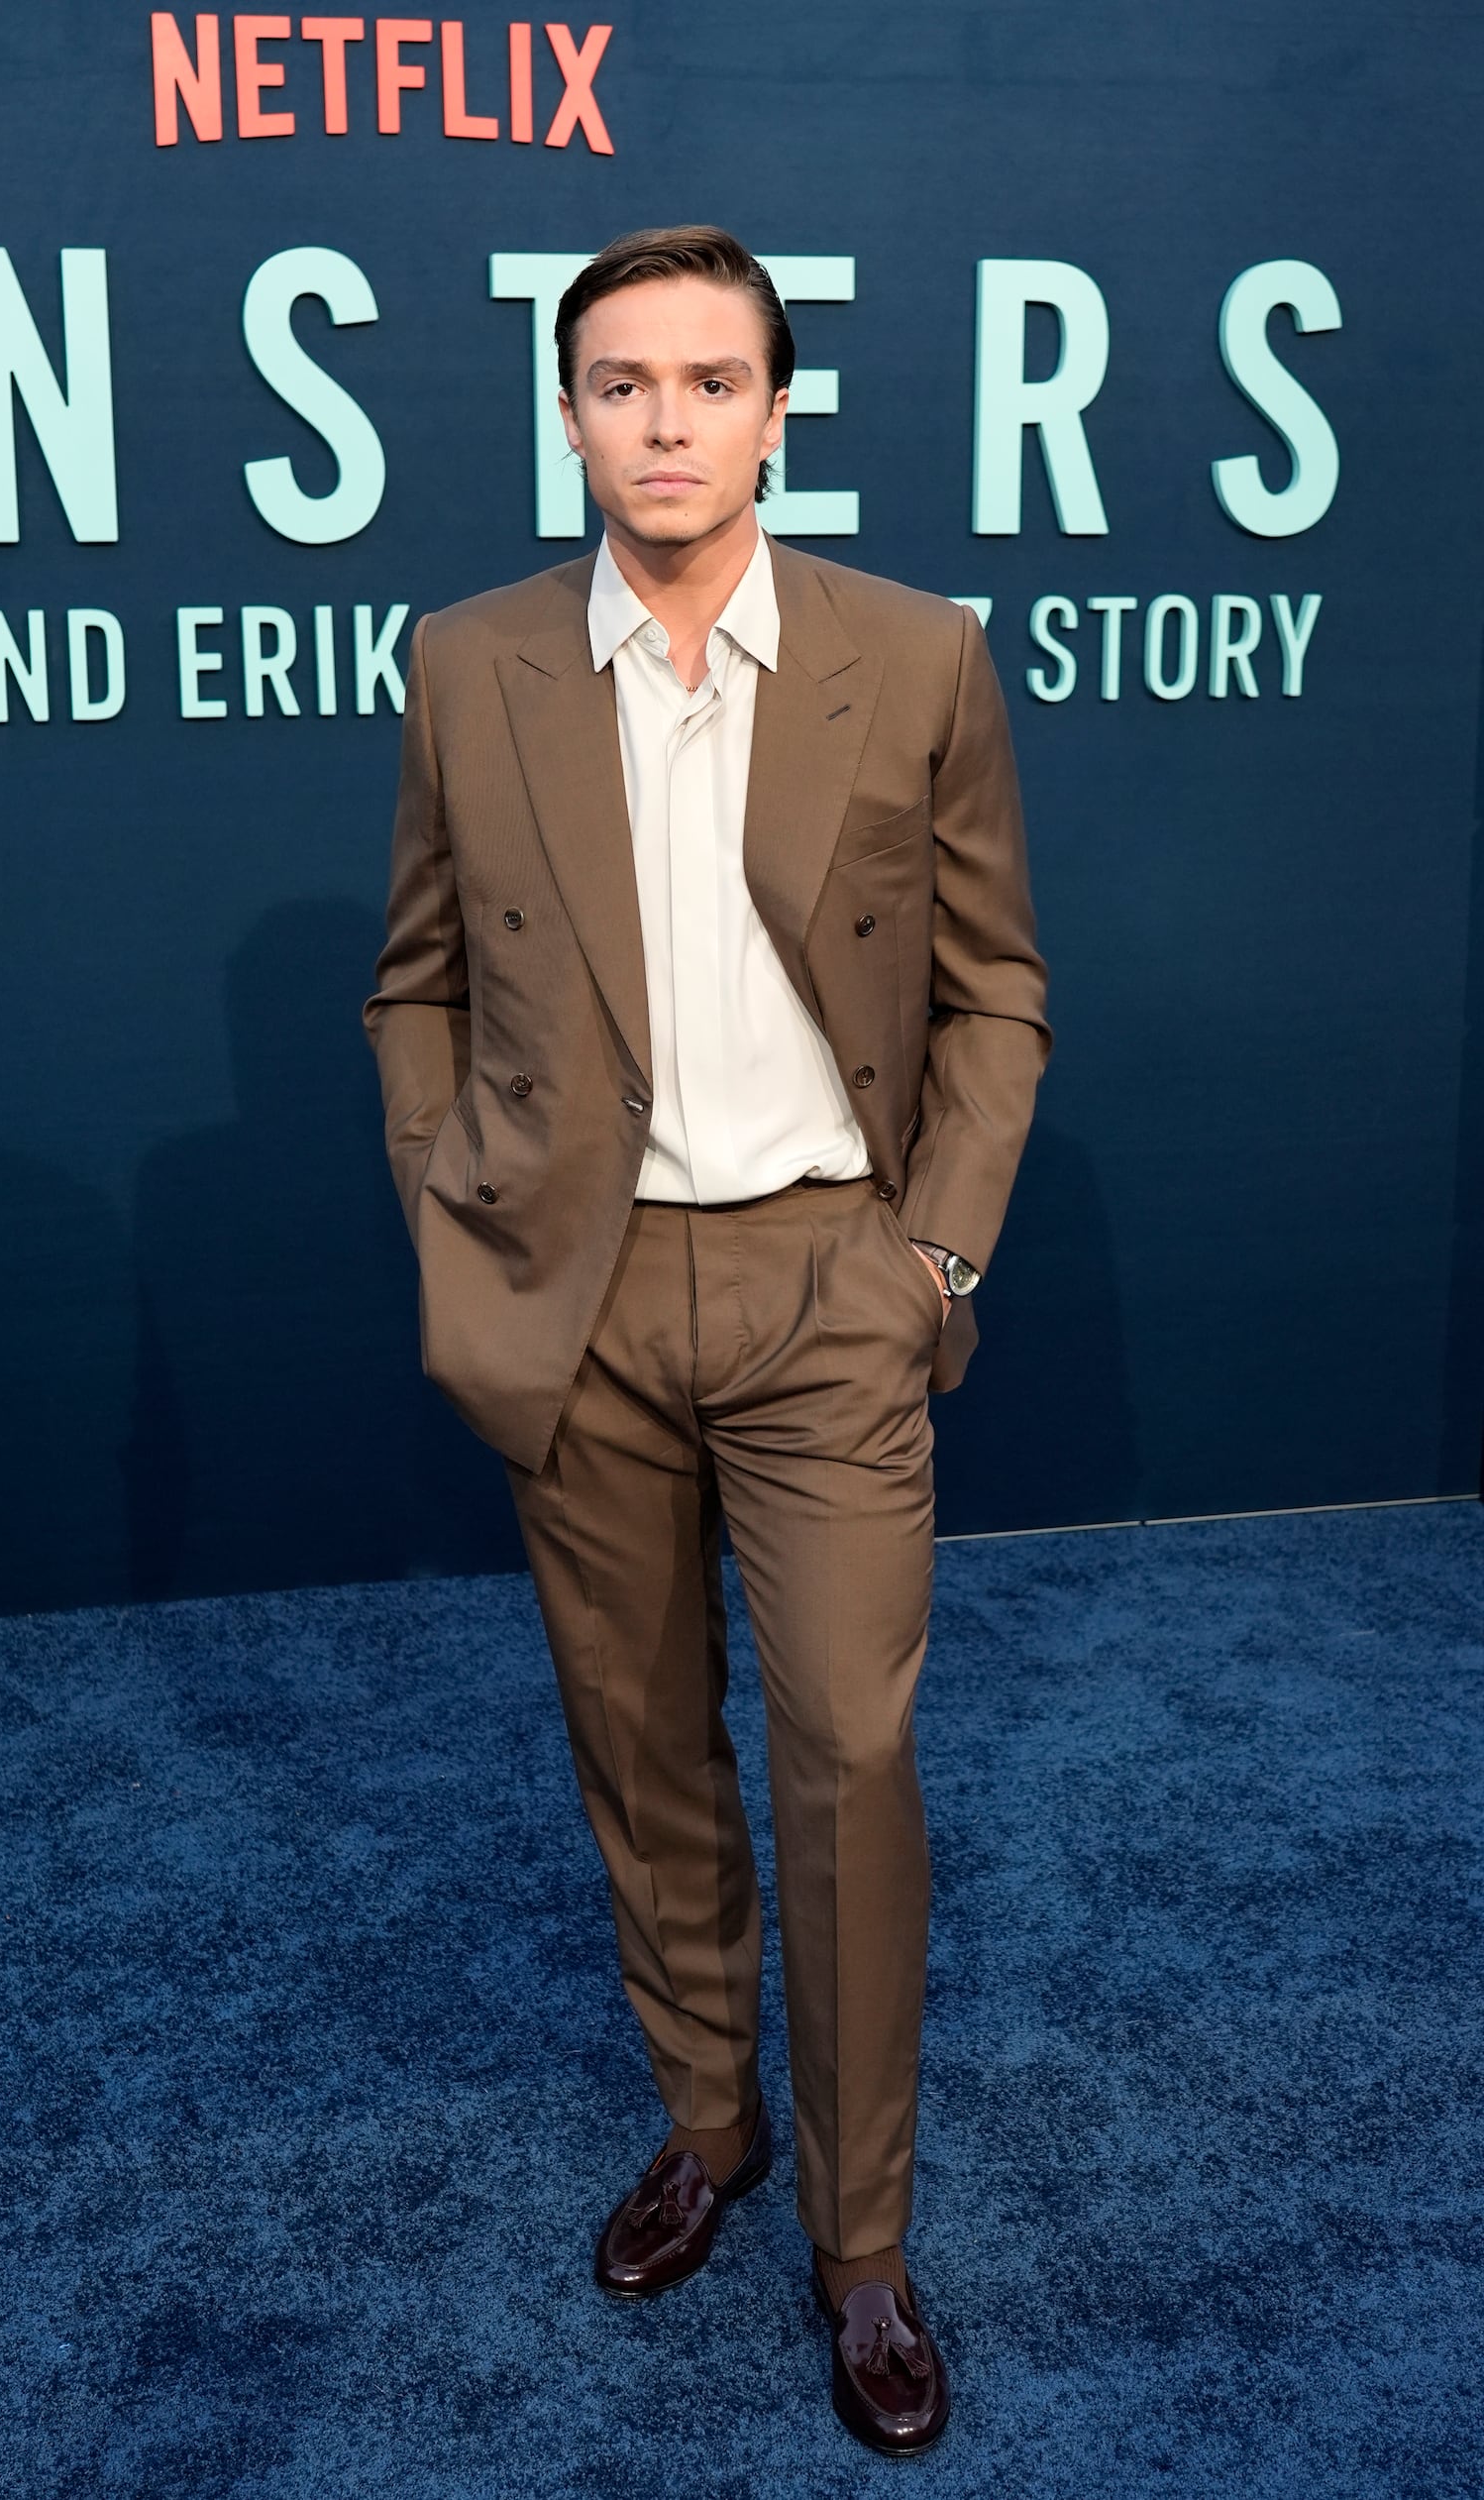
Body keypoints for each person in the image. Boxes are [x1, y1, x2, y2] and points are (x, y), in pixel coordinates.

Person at [365, 225, 1050, 2455]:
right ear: (566, 413)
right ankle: (705, 2121)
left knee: (844, 1755)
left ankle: (861, 2243)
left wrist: (928, 1260)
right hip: (572, 1300)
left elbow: (994, 994)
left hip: (822, 1286)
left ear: (776, 411)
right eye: (618, 381)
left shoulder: (911, 650)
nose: (662, 421)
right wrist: (463, 1234)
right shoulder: (466, 662)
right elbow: (416, 982)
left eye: (706, 380)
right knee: (639, 1746)